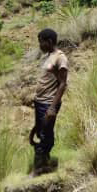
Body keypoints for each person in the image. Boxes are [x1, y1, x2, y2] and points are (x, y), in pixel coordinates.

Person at [29, 28, 68, 176]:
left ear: (49, 41)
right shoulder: (48, 56)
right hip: (40, 102)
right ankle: (46, 165)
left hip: (48, 103)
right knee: (41, 133)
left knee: (45, 136)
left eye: (41, 42)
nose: (39, 45)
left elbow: (63, 84)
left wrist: (52, 107)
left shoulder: (60, 58)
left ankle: (37, 170)